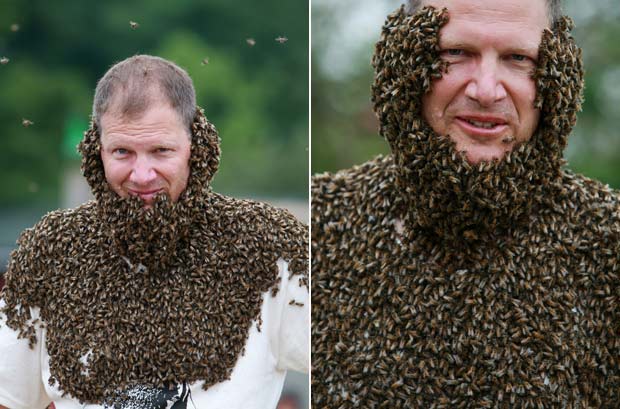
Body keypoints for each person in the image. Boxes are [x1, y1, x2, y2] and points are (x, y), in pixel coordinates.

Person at [311, 0, 619, 407]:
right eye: (456, 53)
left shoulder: (610, 244)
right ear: (404, 61)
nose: (486, 90)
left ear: (555, 75)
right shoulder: (316, 228)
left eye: (517, 58)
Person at [0, 55, 308, 409]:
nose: (142, 174)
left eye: (161, 151)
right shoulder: (50, 250)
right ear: (96, 151)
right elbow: (8, 396)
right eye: (122, 152)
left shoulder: (269, 246)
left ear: (196, 146)